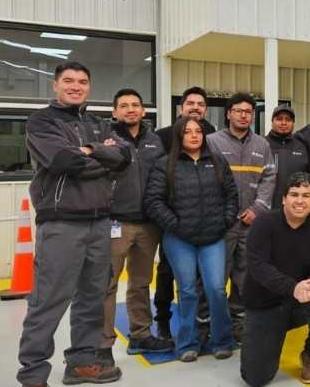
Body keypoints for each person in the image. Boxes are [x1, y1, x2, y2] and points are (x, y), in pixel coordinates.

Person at [17, 61, 130, 387]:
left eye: (82, 81)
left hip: (99, 222)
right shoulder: (41, 121)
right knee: (49, 300)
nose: (76, 86)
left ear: (89, 87)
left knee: (92, 298)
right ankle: (33, 374)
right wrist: (98, 157)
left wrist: (88, 152)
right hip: (62, 223)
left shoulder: (97, 124)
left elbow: (123, 159)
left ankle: (81, 363)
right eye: (68, 80)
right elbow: (64, 161)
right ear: (55, 85)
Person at [144, 117, 239, 362]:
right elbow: (154, 201)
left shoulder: (217, 161)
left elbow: (232, 195)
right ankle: (187, 343)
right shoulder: (165, 164)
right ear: (179, 136)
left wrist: (225, 221)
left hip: (213, 237)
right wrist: (175, 225)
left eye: (198, 131)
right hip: (179, 240)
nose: (194, 136)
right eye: (188, 132)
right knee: (187, 291)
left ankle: (222, 340)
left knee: (216, 289)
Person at [241, 173, 310, 386]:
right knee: (255, 378)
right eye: (294, 194)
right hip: (265, 303)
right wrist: (293, 287)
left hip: (299, 301)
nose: (300, 201)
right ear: (283, 198)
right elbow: (258, 267)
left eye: (306, 195)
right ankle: (270, 334)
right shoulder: (264, 224)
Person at [99, 89, 170, 365]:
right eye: (124, 105)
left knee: (141, 282)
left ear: (144, 111)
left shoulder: (155, 142)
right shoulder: (106, 138)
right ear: (115, 112)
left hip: (148, 224)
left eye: (135, 105)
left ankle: (140, 334)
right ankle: (102, 344)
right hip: (115, 222)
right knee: (107, 284)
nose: (130, 109)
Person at [207, 92, 277, 340]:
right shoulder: (212, 142)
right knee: (215, 276)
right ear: (228, 113)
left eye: (248, 111)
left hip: (251, 224)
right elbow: (205, 180)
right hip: (220, 224)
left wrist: (257, 209)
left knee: (245, 274)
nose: (244, 115)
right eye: (238, 111)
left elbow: (269, 178)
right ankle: (210, 323)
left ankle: (238, 320)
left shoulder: (262, 145)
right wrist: (221, 212)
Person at [154, 86, 217, 340]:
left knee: (201, 276)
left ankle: (201, 324)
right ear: (181, 107)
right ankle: (163, 321)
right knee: (168, 272)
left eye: (200, 104)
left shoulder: (212, 135)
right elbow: (156, 180)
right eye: (190, 103)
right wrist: (169, 218)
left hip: (204, 219)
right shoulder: (162, 136)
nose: (195, 107)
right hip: (173, 221)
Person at [267, 104, 310, 210]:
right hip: (268, 206)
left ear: (293, 123)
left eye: (288, 119)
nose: (284, 123)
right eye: (279, 119)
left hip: (295, 206)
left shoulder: (302, 146)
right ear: (272, 121)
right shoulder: (262, 144)